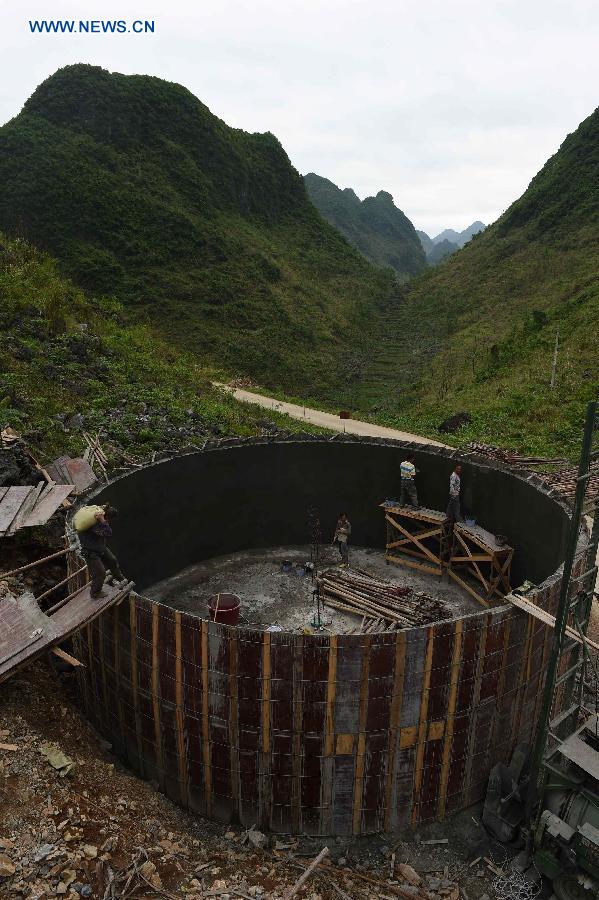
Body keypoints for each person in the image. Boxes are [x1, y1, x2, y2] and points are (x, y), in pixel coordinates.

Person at [79, 504, 126, 599]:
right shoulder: (94, 523)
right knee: (100, 573)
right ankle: (95, 593)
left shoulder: (98, 517)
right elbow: (108, 532)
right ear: (106, 517)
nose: (110, 522)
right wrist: (103, 521)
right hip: (90, 551)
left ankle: (119, 577)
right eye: (110, 519)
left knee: (112, 560)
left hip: (99, 546)